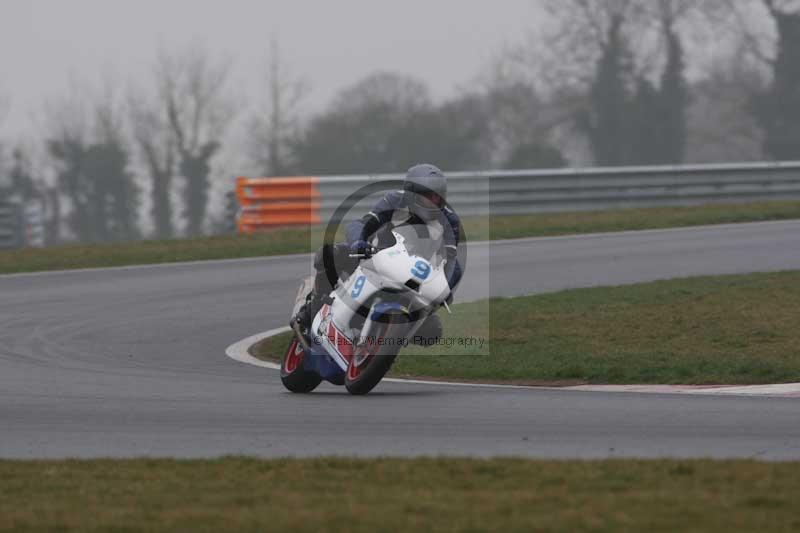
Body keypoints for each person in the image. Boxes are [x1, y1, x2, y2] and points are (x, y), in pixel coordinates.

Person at [291, 163, 462, 336]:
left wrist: (446, 286)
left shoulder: (450, 222)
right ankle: (312, 309)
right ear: (412, 194)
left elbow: (452, 261)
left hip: (413, 278)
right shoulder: (395, 201)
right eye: (429, 197)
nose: (434, 203)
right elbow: (361, 224)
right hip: (373, 259)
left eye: (438, 197)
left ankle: (390, 340)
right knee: (328, 254)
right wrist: (359, 242)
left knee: (432, 331)